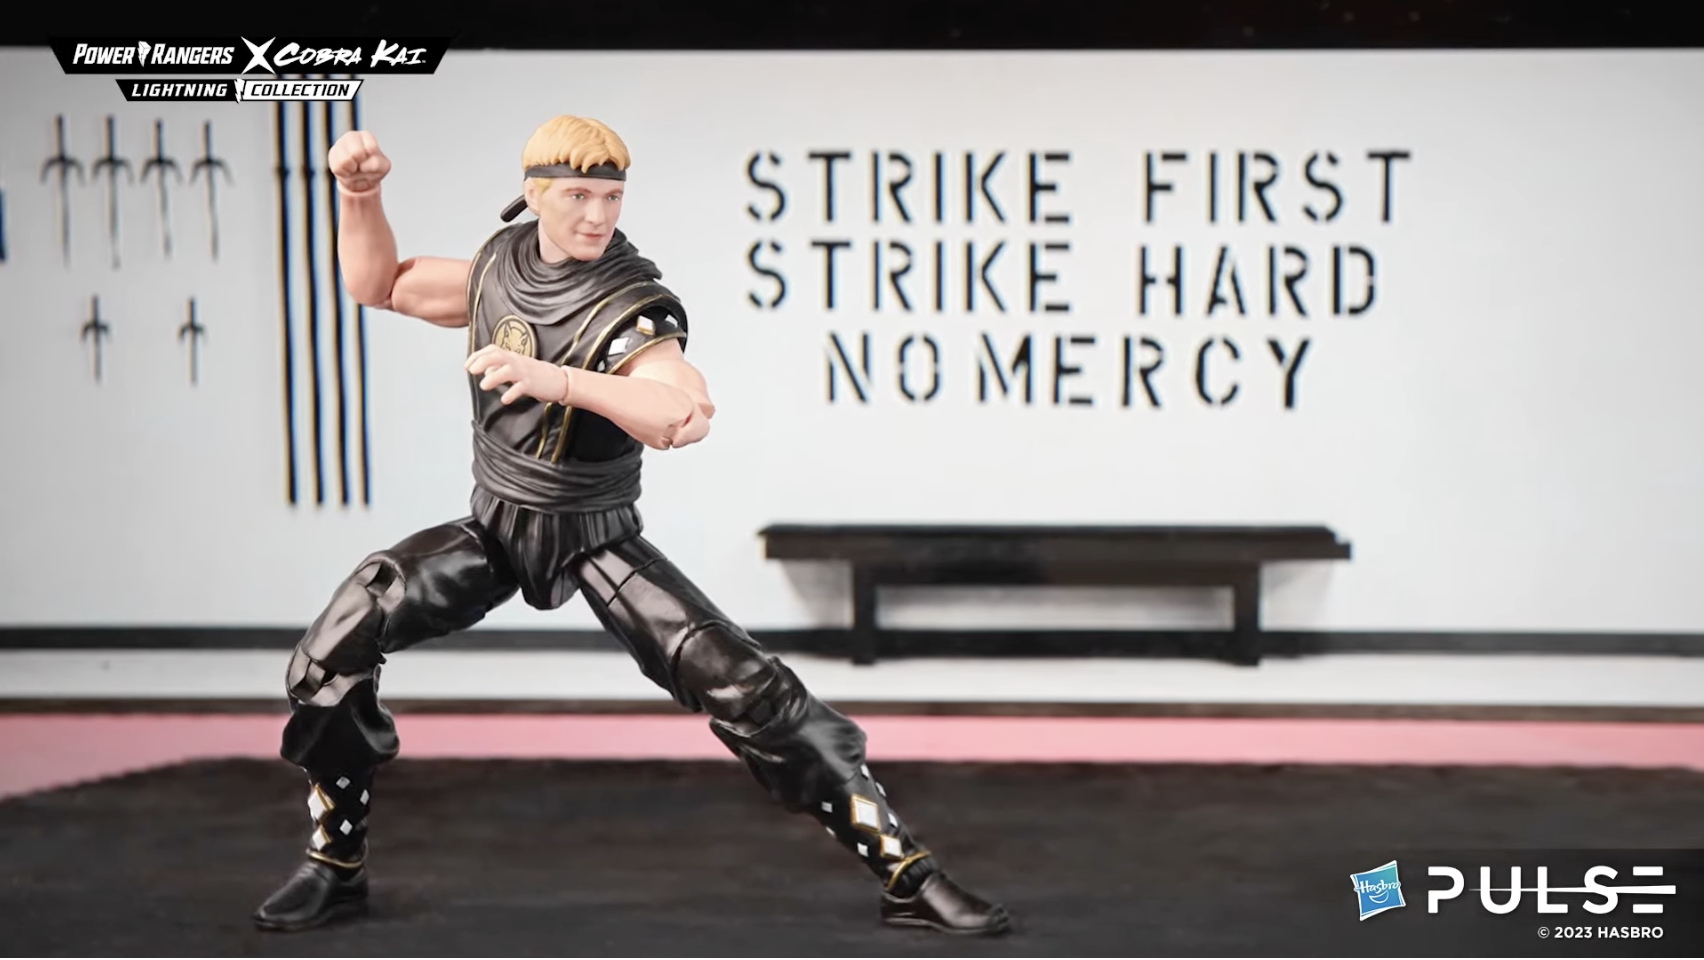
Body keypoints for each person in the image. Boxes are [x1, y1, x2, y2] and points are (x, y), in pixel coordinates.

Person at [251, 115, 1012, 938]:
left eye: (611, 197)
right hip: (496, 527)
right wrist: (359, 197)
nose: (597, 214)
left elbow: (682, 413)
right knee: (336, 644)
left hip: (596, 537)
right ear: (534, 194)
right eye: (578, 195)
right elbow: (381, 285)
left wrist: (557, 379)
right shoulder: (498, 269)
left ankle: (906, 872)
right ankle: (336, 861)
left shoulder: (630, 305)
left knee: (752, 690)